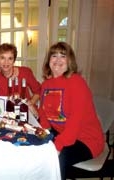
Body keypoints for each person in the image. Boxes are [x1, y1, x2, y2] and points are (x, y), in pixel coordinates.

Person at [38, 41, 105, 180]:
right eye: (53, 56)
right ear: (48, 61)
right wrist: (44, 134)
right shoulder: (46, 84)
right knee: (37, 147)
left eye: (63, 56)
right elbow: (43, 113)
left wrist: (58, 145)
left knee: (56, 160)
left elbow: (75, 122)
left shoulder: (77, 82)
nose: (57, 60)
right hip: (63, 133)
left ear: (70, 61)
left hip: (87, 139)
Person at [0, 43, 41, 116]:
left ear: (14, 60)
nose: (6, 62)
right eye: (2, 58)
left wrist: (31, 102)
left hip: (23, 114)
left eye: (10, 58)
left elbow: (38, 90)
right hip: (3, 114)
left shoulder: (25, 72)